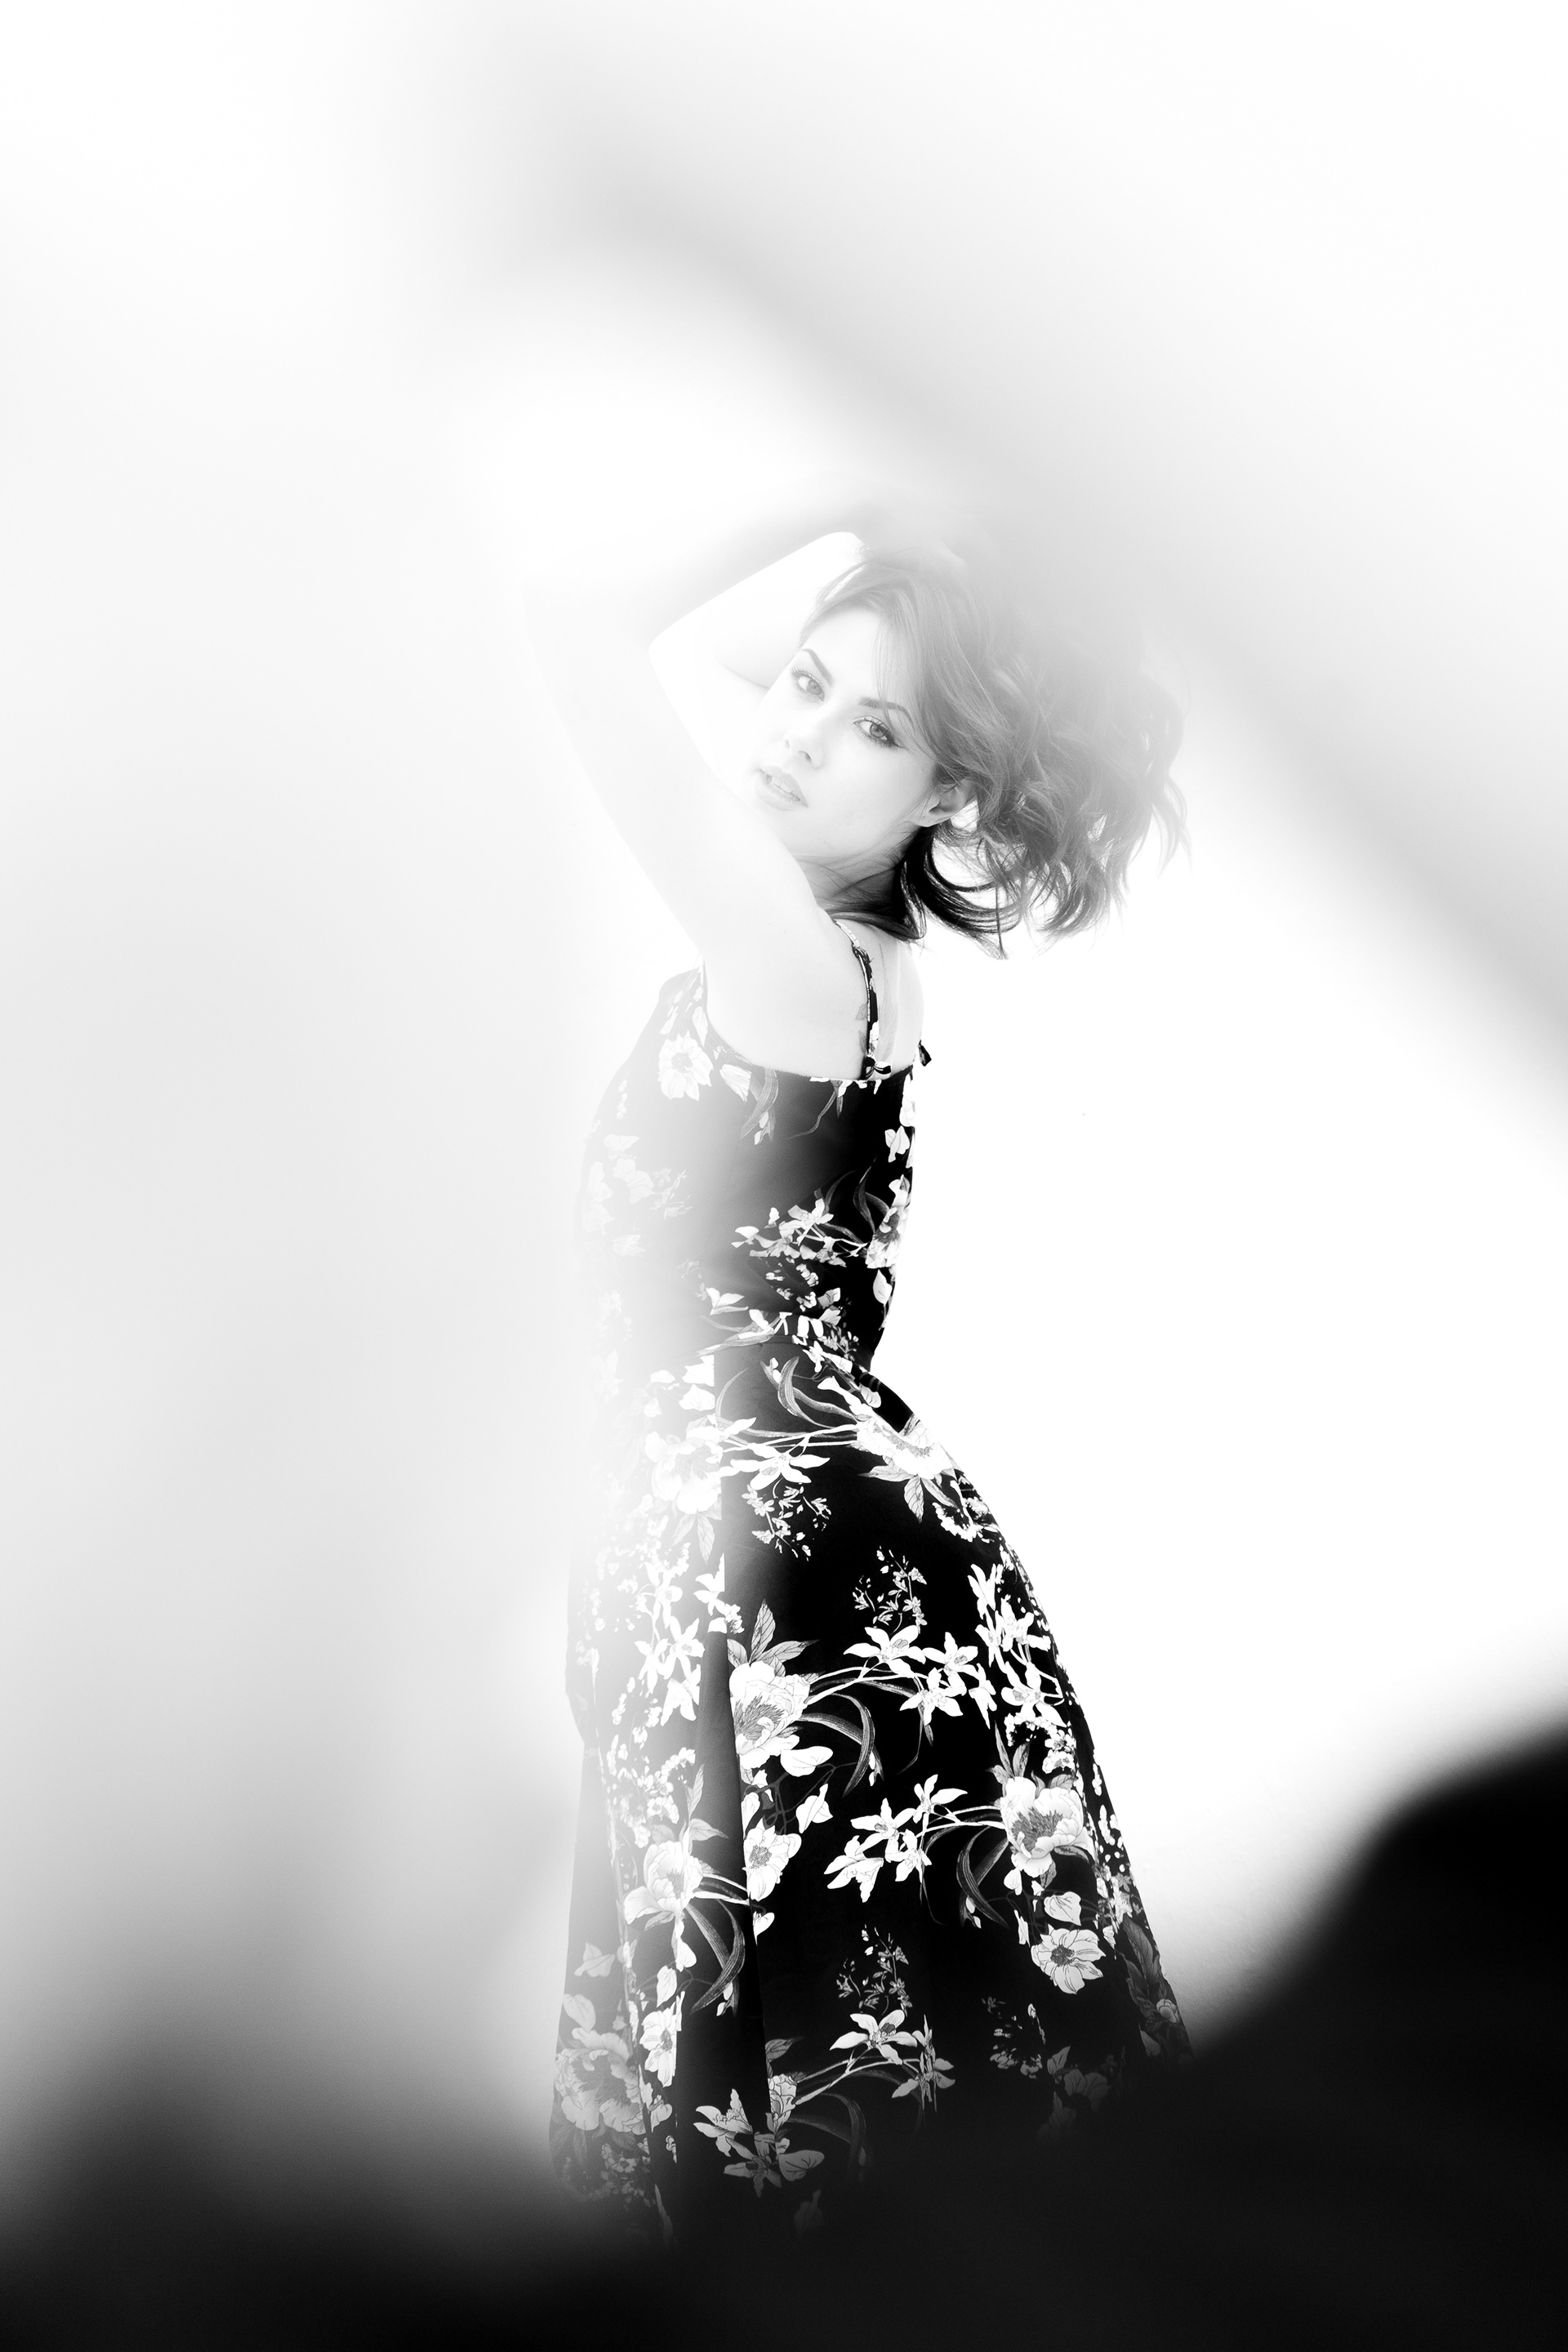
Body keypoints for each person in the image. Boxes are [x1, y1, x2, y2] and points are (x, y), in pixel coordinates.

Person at [525, 477, 1189, 2246]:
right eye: (807, 689)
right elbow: (758, 674)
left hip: (770, 1586)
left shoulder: (784, 951)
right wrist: (885, 622)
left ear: (950, 791)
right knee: (913, 2110)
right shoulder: (861, 954)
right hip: (831, 1562)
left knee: (807, 2134)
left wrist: (839, 496)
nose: (800, 735)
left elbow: (578, 617)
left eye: (875, 731)